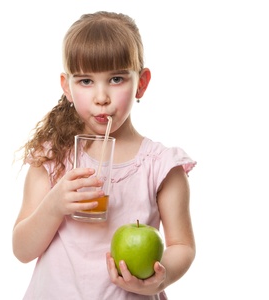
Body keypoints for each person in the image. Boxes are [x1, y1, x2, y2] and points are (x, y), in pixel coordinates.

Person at [12, 11, 196, 299]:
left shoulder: (160, 167)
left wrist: (160, 279)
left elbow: (182, 245)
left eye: (117, 79)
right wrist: (54, 205)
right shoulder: (53, 157)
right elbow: (22, 250)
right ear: (67, 87)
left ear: (142, 83)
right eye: (86, 81)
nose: (101, 97)